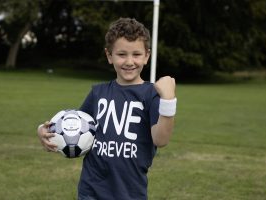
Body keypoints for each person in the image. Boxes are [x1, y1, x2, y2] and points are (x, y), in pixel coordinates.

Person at [37, 17, 177, 200]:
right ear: (109, 55)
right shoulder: (98, 93)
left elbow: (161, 139)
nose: (129, 61)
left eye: (136, 54)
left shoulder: (150, 94)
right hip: (91, 190)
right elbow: (74, 128)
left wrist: (168, 100)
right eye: (121, 54)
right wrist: (42, 130)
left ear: (147, 56)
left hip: (129, 192)